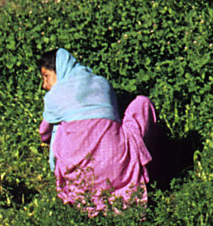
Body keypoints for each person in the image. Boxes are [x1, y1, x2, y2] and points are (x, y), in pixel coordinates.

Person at [38, 46, 165, 211]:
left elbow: (44, 133)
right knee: (141, 103)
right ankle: (147, 166)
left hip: (81, 176)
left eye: (46, 76)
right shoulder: (102, 83)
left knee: (59, 128)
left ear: (60, 70)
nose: (44, 85)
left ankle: (74, 185)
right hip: (119, 165)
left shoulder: (54, 96)